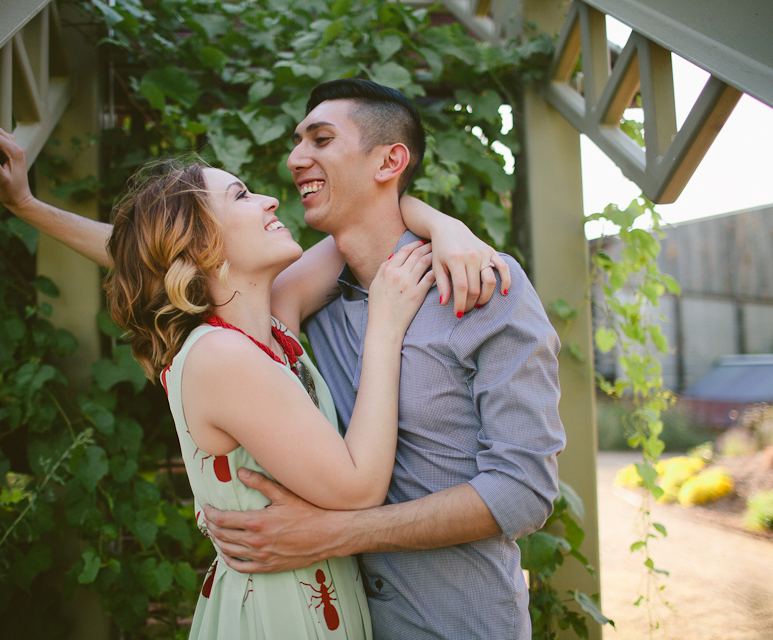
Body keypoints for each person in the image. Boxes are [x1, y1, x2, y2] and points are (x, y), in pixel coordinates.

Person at [0, 126, 505, 639]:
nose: (271, 200)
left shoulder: (271, 323)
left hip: (318, 602)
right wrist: (384, 328)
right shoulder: (220, 356)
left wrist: (444, 225)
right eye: (242, 195)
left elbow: (374, 219)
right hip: (279, 617)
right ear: (200, 242)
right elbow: (360, 487)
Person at [201, 79, 566, 640]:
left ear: (390, 160)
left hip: (458, 624)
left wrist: (335, 533)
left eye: (321, 139)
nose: (297, 158)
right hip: (339, 624)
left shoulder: (485, 287)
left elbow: (523, 492)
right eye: (298, 141)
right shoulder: (299, 308)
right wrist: (29, 207)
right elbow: (169, 255)